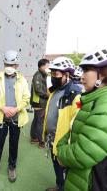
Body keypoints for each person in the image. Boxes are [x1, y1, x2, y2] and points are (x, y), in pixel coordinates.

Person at [57, 46, 107, 191]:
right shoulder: (97, 99)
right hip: (86, 179)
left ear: (103, 74)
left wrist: (60, 152)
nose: (82, 76)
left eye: (86, 70)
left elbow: (82, 153)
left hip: (97, 184)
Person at [0, 50, 30, 183]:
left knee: (14, 144)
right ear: (4, 63)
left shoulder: (22, 79)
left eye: (12, 64)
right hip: (1, 118)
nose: (9, 67)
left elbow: (26, 98)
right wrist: (3, 108)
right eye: (7, 64)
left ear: (17, 65)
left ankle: (12, 167)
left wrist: (16, 109)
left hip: (16, 119)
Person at [43, 57, 82, 191]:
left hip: (64, 143)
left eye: (56, 74)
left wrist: (67, 148)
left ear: (66, 74)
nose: (53, 77)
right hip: (53, 139)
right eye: (51, 74)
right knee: (56, 166)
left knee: (67, 171)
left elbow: (77, 123)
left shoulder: (75, 94)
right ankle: (60, 186)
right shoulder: (55, 90)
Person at [30, 58, 50, 148]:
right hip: (39, 102)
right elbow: (39, 90)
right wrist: (48, 95)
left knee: (36, 120)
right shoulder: (38, 76)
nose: (48, 67)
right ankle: (41, 142)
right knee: (40, 122)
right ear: (41, 66)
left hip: (39, 102)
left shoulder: (43, 74)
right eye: (47, 65)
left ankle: (34, 137)